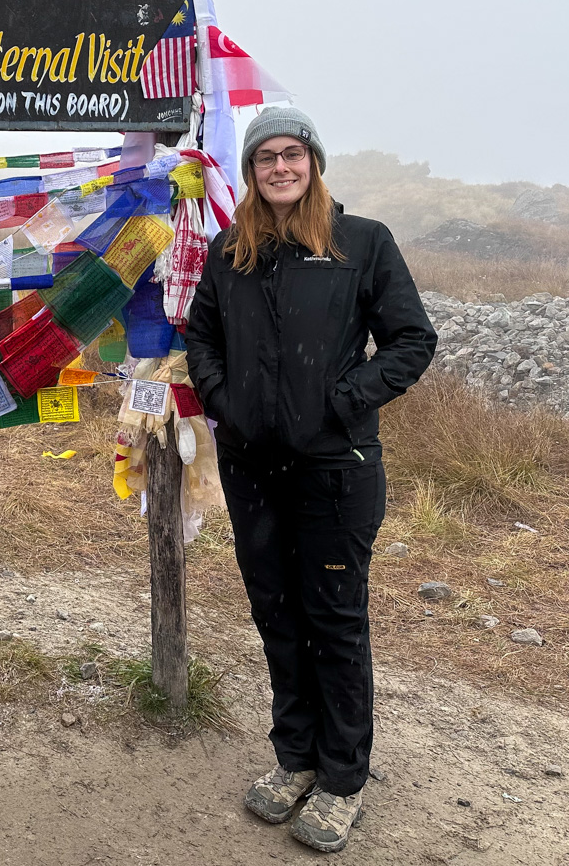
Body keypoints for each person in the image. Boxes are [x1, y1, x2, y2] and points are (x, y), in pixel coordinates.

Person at [184, 108, 436, 853]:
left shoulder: (362, 243)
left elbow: (411, 338)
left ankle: (342, 778)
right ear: (253, 171)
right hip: (253, 469)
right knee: (275, 612)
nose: (280, 167)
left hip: (335, 470)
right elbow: (202, 334)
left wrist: (343, 400)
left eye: (292, 154)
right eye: (266, 158)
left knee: (333, 619)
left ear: (314, 162)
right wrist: (224, 402)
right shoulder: (232, 249)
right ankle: (295, 758)